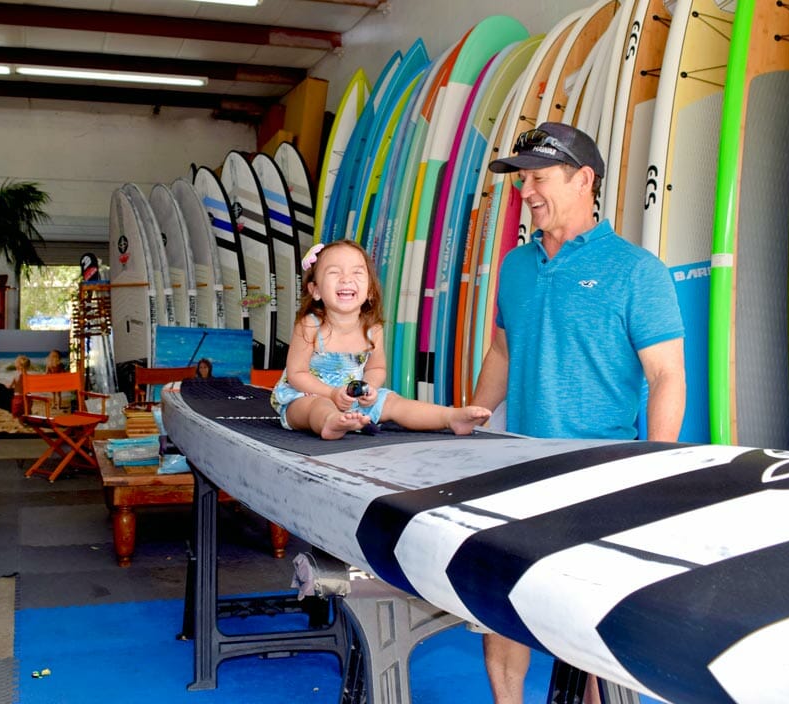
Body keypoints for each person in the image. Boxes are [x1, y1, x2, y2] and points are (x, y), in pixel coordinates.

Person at [472, 122, 686, 703]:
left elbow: (667, 374)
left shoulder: (638, 271)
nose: (527, 192)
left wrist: (658, 467)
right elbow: (502, 349)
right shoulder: (516, 267)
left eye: (538, 178)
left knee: (596, 627)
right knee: (502, 602)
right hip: (520, 466)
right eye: (521, 182)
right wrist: (471, 413)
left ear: (583, 178)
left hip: (600, 474)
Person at [271, 239, 492, 440]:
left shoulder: (372, 329)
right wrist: (330, 394)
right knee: (316, 406)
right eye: (334, 272)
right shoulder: (310, 325)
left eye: (357, 273)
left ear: (369, 291)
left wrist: (369, 389)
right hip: (307, 395)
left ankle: (450, 417)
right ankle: (331, 423)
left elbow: (377, 368)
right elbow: (296, 373)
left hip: (354, 399)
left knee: (394, 402)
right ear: (316, 290)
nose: (346, 279)